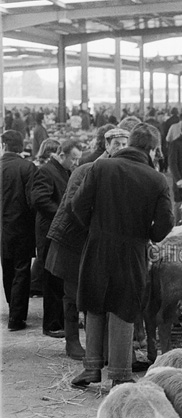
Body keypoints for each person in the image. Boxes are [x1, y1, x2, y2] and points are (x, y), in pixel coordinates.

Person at [70, 123, 173, 388]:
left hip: (98, 245)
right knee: (124, 308)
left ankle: (91, 369)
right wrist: (147, 234)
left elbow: (77, 204)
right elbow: (166, 223)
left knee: (94, 304)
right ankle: (119, 374)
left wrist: (94, 229)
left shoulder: (101, 167)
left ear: (129, 143)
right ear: (153, 149)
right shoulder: (156, 179)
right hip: (132, 251)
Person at [45, 128, 129, 360]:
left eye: (125, 143)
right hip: (71, 240)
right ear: (107, 145)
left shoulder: (116, 171)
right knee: (71, 294)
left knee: (91, 294)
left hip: (91, 243)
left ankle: (96, 347)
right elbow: (73, 207)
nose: (122, 148)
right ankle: (72, 342)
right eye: (118, 144)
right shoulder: (86, 170)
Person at [31, 140, 82, 338]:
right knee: (51, 279)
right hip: (48, 231)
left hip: (60, 231)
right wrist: (63, 214)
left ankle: (62, 321)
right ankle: (51, 325)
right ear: (61, 155)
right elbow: (39, 199)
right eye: (73, 158)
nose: (76, 163)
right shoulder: (46, 171)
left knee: (60, 278)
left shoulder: (65, 171)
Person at [1, 130, 37, 331]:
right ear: (21, 146)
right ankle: (16, 317)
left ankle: (11, 307)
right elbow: (33, 201)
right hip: (22, 227)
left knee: (7, 268)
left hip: (2, 228)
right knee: (21, 270)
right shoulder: (27, 167)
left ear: (4, 145)